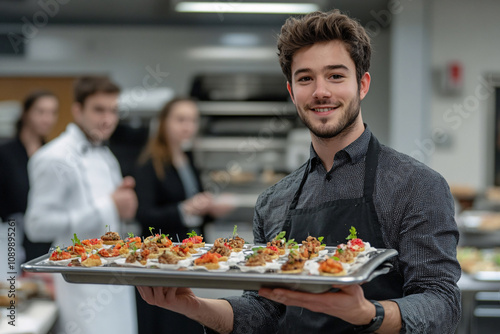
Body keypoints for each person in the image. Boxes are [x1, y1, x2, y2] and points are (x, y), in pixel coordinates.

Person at [137, 9, 462, 334]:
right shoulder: (273, 202)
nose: (321, 91)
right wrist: (194, 307)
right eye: (306, 78)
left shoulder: (416, 186)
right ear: (292, 92)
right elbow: (263, 311)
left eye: (336, 76)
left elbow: (441, 303)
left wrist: (367, 312)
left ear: (362, 85)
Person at [25, 76, 138, 334]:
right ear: (78, 110)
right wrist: (108, 205)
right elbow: (36, 225)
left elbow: (114, 214)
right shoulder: (53, 157)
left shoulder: (106, 154)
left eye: (113, 110)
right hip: (80, 281)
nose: (108, 119)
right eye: (99, 109)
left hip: (116, 277)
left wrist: (125, 210)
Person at [134, 97, 232, 334]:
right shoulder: (149, 163)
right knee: (166, 324)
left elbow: (193, 212)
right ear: (163, 123)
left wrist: (209, 210)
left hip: (187, 260)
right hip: (161, 264)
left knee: (188, 318)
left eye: (192, 120)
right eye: (180, 119)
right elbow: (144, 215)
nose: (188, 126)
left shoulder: (188, 160)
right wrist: (184, 208)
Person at [0, 90, 59, 262]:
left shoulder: (53, 154)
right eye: (40, 112)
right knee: (11, 285)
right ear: (26, 114)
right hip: (11, 232)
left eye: (52, 112)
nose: (47, 119)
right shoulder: (5, 153)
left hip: (45, 236)